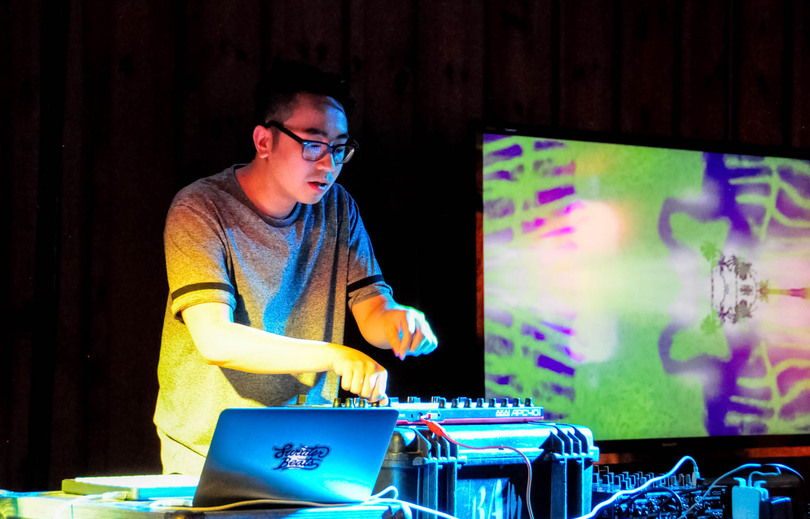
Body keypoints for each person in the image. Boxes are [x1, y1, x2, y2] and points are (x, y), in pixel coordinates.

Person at [153, 61, 438, 476]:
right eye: (313, 145)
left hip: (308, 447)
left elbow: (373, 310)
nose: (328, 165)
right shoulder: (200, 207)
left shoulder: (338, 207)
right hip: (207, 453)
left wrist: (398, 320)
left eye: (338, 148)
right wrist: (333, 356)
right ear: (264, 141)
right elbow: (215, 338)